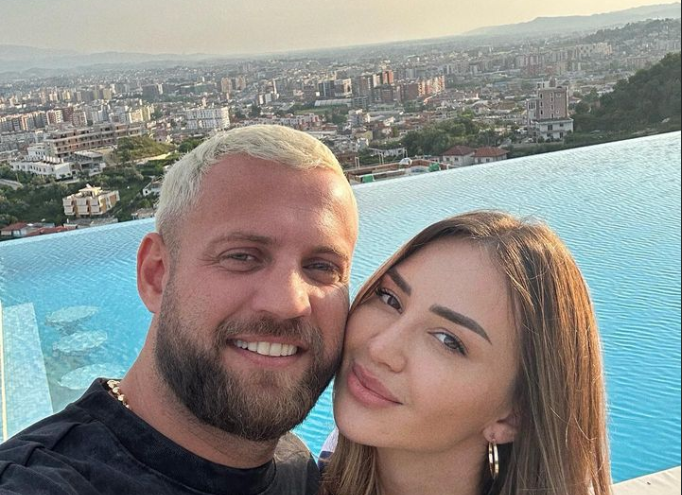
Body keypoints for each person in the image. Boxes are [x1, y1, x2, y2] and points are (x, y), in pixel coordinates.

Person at [0, 125, 359, 495]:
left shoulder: (294, 466)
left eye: (322, 267)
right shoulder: (38, 482)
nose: (289, 303)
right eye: (242, 256)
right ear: (155, 275)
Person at [320, 211, 612, 495]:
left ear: (513, 416)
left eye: (448, 340)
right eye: (390, 298)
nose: (379, 348)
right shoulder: (305, 475)